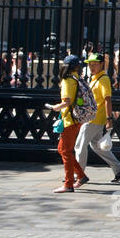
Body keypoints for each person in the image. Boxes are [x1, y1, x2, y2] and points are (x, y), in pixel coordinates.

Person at [75, 53, 120, 182]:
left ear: (101, 65)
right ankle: (119, 168)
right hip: (93, 117)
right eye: (90, 64)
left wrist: (109, 119)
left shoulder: (103, 79)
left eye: (94, 64)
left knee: (79, 145)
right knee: (97, 146)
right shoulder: (95, 78)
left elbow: (107, 99)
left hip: (94, 118)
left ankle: (78, 174)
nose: (91, 67)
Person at [45, 55, 90, 193]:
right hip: (76, 119)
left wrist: (55, 107)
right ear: (76, 67)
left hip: (70, 119)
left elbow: (67, 101)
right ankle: (81, 176)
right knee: (62, 149)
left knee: (65, 151)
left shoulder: (67, 81)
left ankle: (69, 183)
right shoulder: (77, 78)